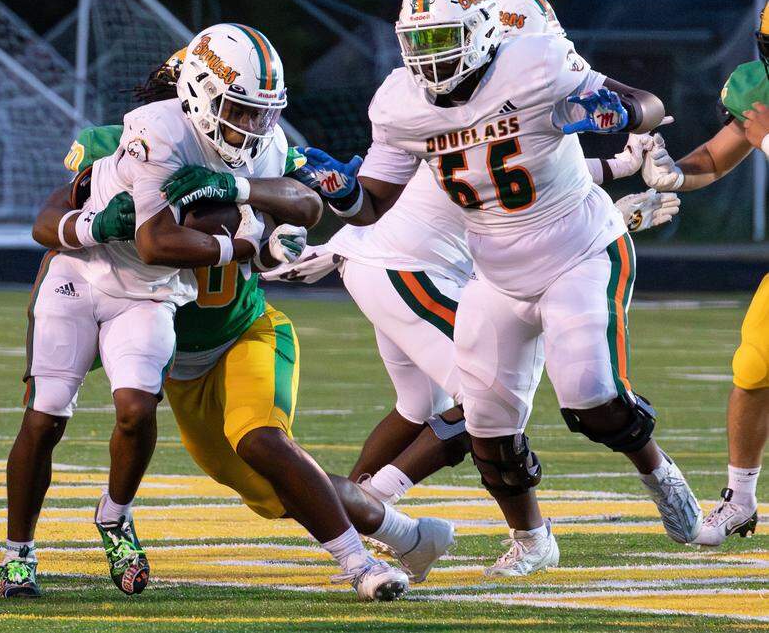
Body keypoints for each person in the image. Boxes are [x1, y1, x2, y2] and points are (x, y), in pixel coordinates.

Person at [25, 41, 455, 601]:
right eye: (238, 108)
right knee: (281, 493)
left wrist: (243, 197)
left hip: (243, 330)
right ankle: (409, 535)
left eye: (254, 111)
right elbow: (63, 243)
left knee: (263, 442)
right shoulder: (124, 146)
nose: (246, 124)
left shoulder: (254, 149)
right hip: (179, 361)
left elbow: (303, 200)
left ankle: (361, 566)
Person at [317, 0, 700, 576]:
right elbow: (371, 205)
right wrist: (340, 193)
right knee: (489, 428)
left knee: (591, 397)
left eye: (443, 40)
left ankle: (659, 473)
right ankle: (532, 539)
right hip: (493, 275)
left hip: (578, 251)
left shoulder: (535, 62)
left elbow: (647, 103)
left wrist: (620, 116)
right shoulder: (400, 102)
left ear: (483, 32)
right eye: (418, 42)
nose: (429, 58)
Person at [640, 0, 769, 546]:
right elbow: (715, 159)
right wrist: (674, 174)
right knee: (754, 367)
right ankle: (739, 498)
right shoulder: (756, 88)